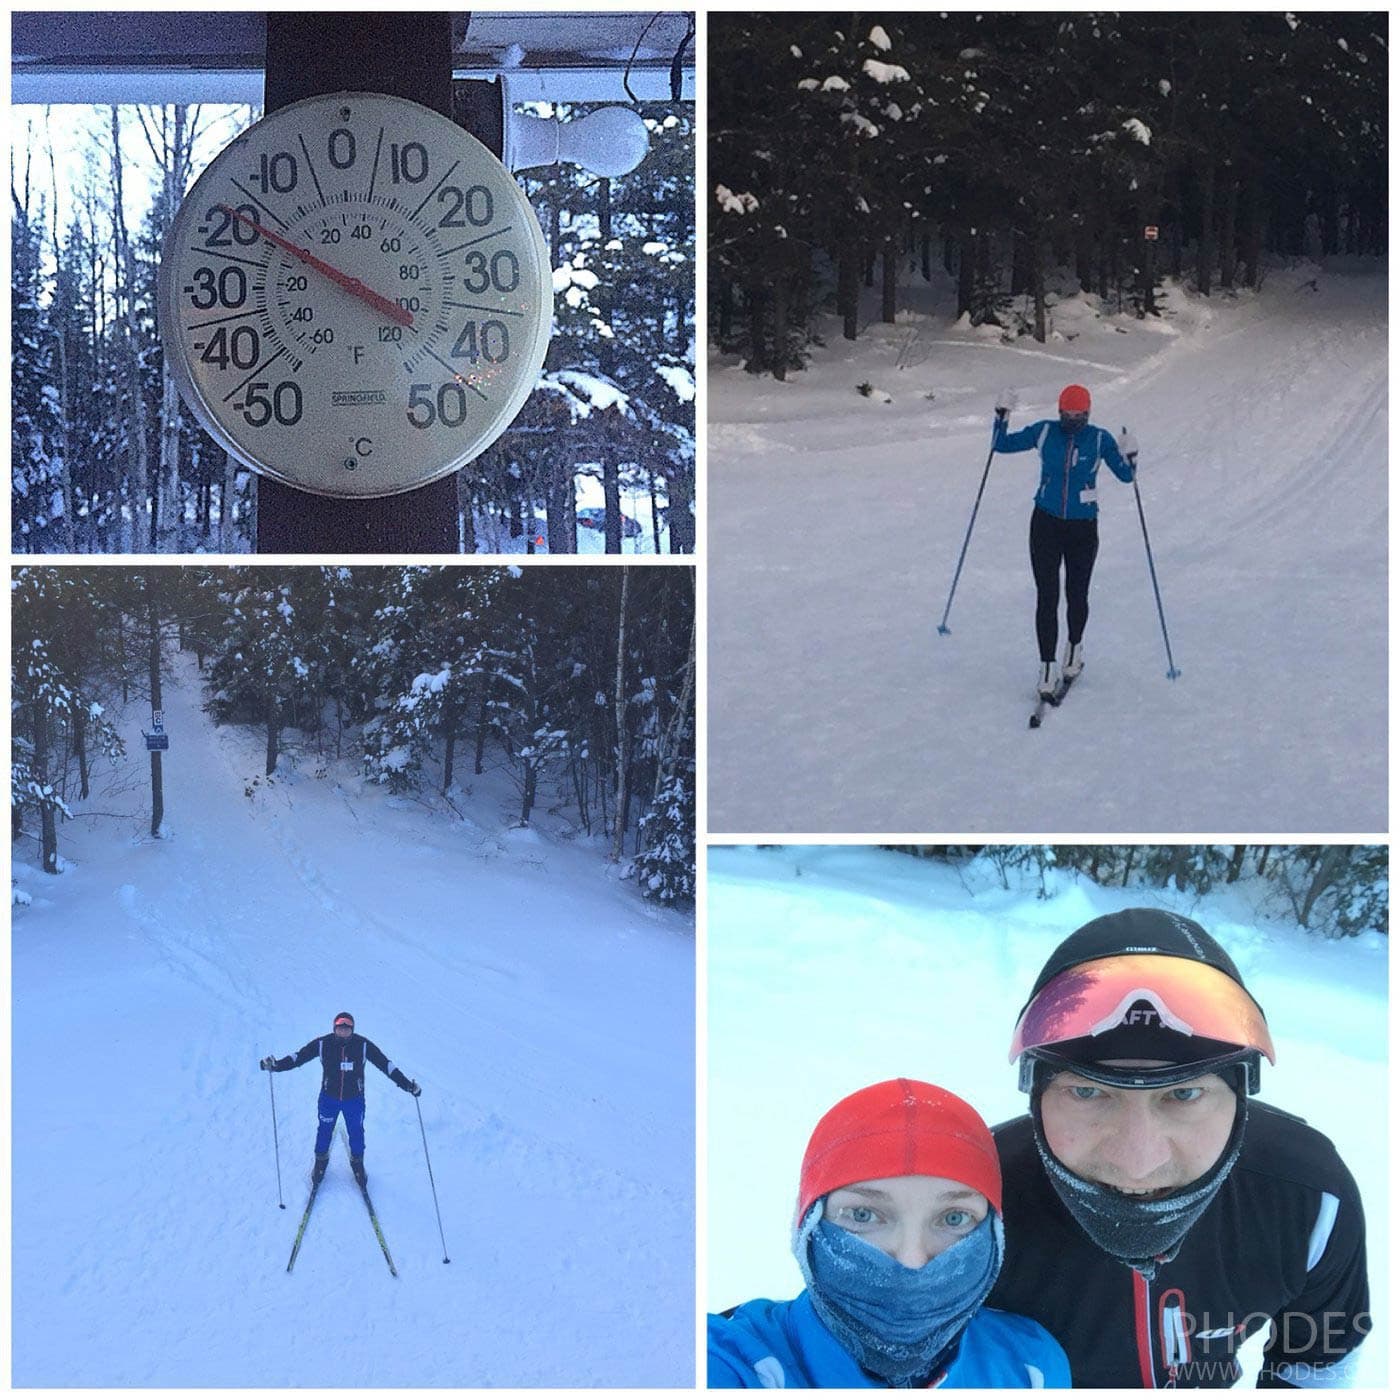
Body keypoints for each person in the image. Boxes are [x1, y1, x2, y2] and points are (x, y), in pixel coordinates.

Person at [986, 909, 1370, 1387]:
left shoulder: (1309, 1197)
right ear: (1036, 1093)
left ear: (1240, 1095)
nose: (1138, 1163)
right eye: (1087, 1091)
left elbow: (1314, 1362)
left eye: (1183, 1093)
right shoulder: (970, 1203)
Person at [708, 1078, 1071, 1387]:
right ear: (809, 1227)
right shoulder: (732, 1362)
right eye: (864, 1214)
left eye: (954, 1218)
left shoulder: (1030, 1366)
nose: (912, 1259)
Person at [992, 385, 1138, 699]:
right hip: (1045, 523)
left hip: (1083, 527)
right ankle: (1047, 667)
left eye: (1079, 415)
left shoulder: (1099, 439)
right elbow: (1000, 445)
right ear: (1059, 412)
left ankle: (1073, 648)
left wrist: (1131, 455)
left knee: (1076, 592)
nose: (1072, 420)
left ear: (1088, 413)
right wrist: (1002, 416)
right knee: (1047, 595)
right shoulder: (1045, 432)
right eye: (1067, 414)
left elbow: (1126, 477)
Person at [260, 1011, 420, 1187]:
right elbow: (298, 1057)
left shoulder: (363, 1045)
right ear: (334, 1028)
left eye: (347, 1029)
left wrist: (407, 1085)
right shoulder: (322, 1044)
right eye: (340, 1028)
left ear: (352, 1030)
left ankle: (357, 1163)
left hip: (354, 1100)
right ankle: (320, 1163)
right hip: (329, 1099)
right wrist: (276, 1066)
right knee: (324, 1131)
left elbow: (386, 1065)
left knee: (356, 1133)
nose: (343, 1032)